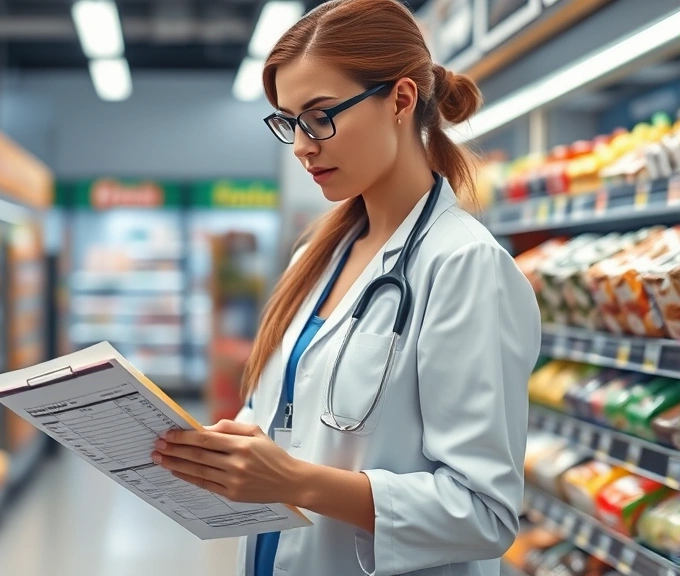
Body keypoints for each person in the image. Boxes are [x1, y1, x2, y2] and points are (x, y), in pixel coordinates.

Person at [150, 1, 542, 575]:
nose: (303, 145)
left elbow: (483, 513)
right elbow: (301, 421)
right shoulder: (316, 256)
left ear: (401, 101)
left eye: (321, 115)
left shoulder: (464, 266)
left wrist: (295, 480)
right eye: (290, 122)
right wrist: (241, 447)